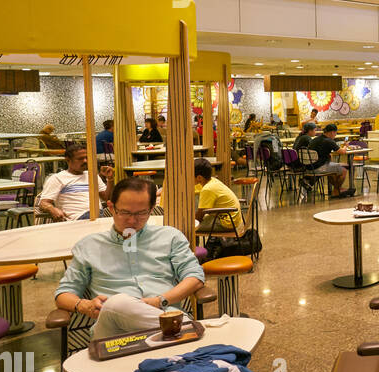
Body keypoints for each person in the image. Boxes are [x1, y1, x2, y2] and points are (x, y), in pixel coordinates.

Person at [55, 177, 206, 338]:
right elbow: (63, 294)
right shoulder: (89, 246)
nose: (132, 220)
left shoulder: (170, 237)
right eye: (125, 212)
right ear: (111, 207)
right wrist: (84, 305)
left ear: (151, 209)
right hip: (114, 332)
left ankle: (177, 333)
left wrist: (159, 301)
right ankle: (185, 331)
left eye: (141, 213)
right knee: (116, 304)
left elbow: (195, 277)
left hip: (164, 314)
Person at [37, 143, 112, 221]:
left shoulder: (92, 175)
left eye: (86, 158)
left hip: (98, 215)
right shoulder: (57, 178)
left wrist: (110, 179)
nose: (85, 161)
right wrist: (52, 209)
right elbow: (43, 203)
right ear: (68, 160)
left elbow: (107, 198)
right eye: (80, 159)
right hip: (78, 218)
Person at [194, 157, 246, 236]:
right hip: (233, 219)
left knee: (190, 228)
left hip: (226, 222)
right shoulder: (213, 181)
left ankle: (194, 248)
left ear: (199, 177)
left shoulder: (207, 189)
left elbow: (199, 216)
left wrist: (191, 223)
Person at [306, 123, 353, 198]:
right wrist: (345, 146)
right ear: (332, 132)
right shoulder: (329, 141)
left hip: (309, 167)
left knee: (335, 167)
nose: (335, 135)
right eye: (335, 133)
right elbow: (342, 152)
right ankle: (337, 190)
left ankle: (337, 189)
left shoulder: (315, 139)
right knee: (344, 169)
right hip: (318, 168)